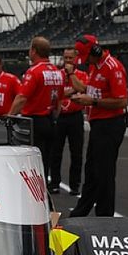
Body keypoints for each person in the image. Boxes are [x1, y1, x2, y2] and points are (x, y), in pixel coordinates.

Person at [67, 40, 128, 217]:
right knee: (92, 170)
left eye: (87, 57)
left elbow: (121, 100)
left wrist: (92, 101)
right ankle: (80, 212)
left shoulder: (112, 67)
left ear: (95, 51)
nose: (86, 62)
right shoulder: (95, 66)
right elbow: (92, 89)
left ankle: (105, 216)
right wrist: (84, 96)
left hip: (110, 123)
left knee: (104, 173)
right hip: (98, 123)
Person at [8, 36, 64, 177]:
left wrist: (9, 116)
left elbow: (21, 98)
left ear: (34, 51)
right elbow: (59, 101)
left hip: (34, 121)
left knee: (30, 161)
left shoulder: (34, 71)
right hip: (51, 120)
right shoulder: (57, 72)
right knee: (45, 160)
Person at [48, 48, 87, 196]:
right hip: (60, 116)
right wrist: (71, 91)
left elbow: (82, 89)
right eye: (65, 58)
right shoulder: (57, 75)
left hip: (75, 116)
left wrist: (71, 77)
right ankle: (55, 183)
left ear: (76, 59)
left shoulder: (81, 74)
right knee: (55, 152)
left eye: (71, 58)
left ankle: (75, 184)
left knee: (76, 153)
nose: (68, 61)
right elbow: (56, 93)